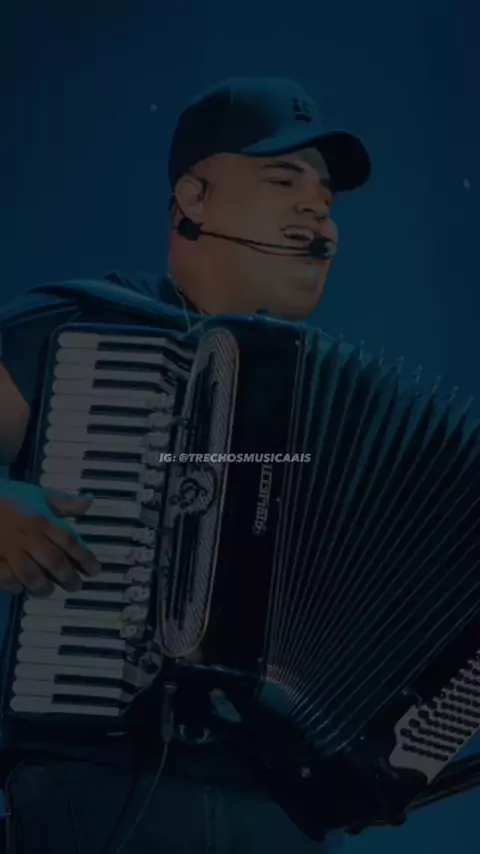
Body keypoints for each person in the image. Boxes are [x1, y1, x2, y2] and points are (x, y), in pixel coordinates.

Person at [0, 78, 371, 853]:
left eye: (326, 197)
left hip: (281, 811)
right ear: (194, 198)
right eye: (284, 180)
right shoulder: (85, 328)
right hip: (101, 789)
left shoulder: (340, 405)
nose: (318, 210)